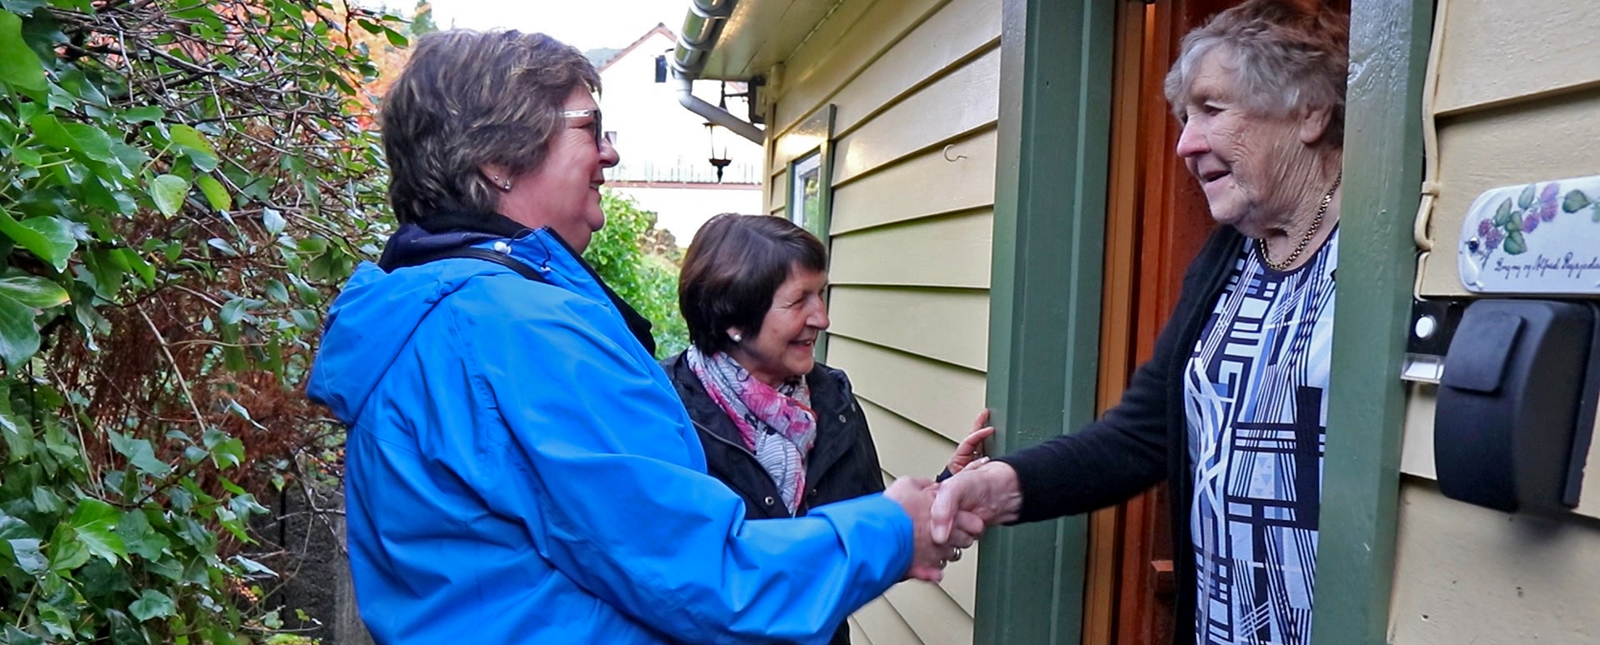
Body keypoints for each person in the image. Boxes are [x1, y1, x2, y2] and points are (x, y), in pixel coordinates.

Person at [306, 30, 981, 645]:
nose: (610, 151)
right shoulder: (518, 332)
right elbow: (704, 579)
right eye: (589, 127)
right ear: (496, 161)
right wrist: (894, 528)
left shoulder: (430, 313)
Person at [932, 3, 1347, 645]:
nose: (1186, 142)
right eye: (1186, 116)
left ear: (1311, 111)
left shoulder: (1380, 251)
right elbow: (1143, 436)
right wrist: (1001, 487)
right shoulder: (1228, 259)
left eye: (1213, 109)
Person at [662, 214, 993, 645]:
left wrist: (942, 494)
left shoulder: (832, 400)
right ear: (734, 316)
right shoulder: (666, 409)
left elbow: (870, 539)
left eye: (821, 294)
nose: (822, 317)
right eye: (800, 300)